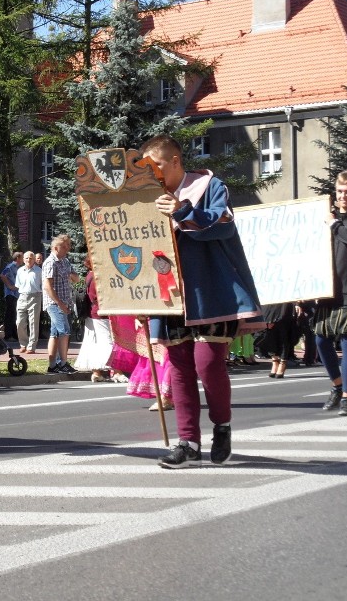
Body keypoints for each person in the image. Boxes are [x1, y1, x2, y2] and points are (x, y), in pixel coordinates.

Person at [144, 134, 263, 468]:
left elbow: (221, 224)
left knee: (208, 364)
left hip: (211, 291)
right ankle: (188, 442)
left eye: (156, 166)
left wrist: (182, 209)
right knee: (179, 369)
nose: (153, 174)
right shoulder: (146, 197)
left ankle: (222, 426)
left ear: (174, 161)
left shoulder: (209, 185)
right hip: (172, 295)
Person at [313, 170, 347, 415]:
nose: (343, 196)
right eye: (340, 191)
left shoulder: (337, 222)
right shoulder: (328, 217)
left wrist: (334, 224)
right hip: (328, 291)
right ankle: (337, 386)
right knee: (320, 340)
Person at [42, 234, 78, 374]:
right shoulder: (50, 262)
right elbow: (48, 286)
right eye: (65, 246)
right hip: (54, 303)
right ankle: (63, 363)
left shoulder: (65, 261)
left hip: (65, 302)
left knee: (55, 333)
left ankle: (52, 365)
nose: (68, 248)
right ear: (56, 248)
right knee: (65, 331)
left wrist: (71, 275)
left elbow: (75, 278)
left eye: (68, 245)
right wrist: (60, 304)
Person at [74, 258, 114, 382]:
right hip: (100, 313)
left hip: (91, 314)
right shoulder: (97, 277)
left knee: (93, 343)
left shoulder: (89, 275)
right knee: (107, 341)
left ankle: (96, 372)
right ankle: (115, 370)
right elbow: (100, 296)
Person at [15, 250, 42, 354]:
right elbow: (18, 285)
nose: (28, 260)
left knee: (33, 323)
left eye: (31, 258)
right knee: (19, 322)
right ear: (23, 259)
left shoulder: (39, 271)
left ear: (34, 260)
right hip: (22, 297)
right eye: (26, 258)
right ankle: (23, 344)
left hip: (35, 297)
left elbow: (43, 285)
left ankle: (31, 346)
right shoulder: (20, 271)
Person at [0, 252, 22, 340]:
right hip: (10, 293)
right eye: (21, 257)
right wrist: (9, 286)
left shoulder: (18, 267)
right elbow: (2, 275)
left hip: (16, 294)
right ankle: (8, 334)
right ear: (17, 258)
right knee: (10, 314)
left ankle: (14, 333)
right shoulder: (11, 266)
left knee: (14, 314)